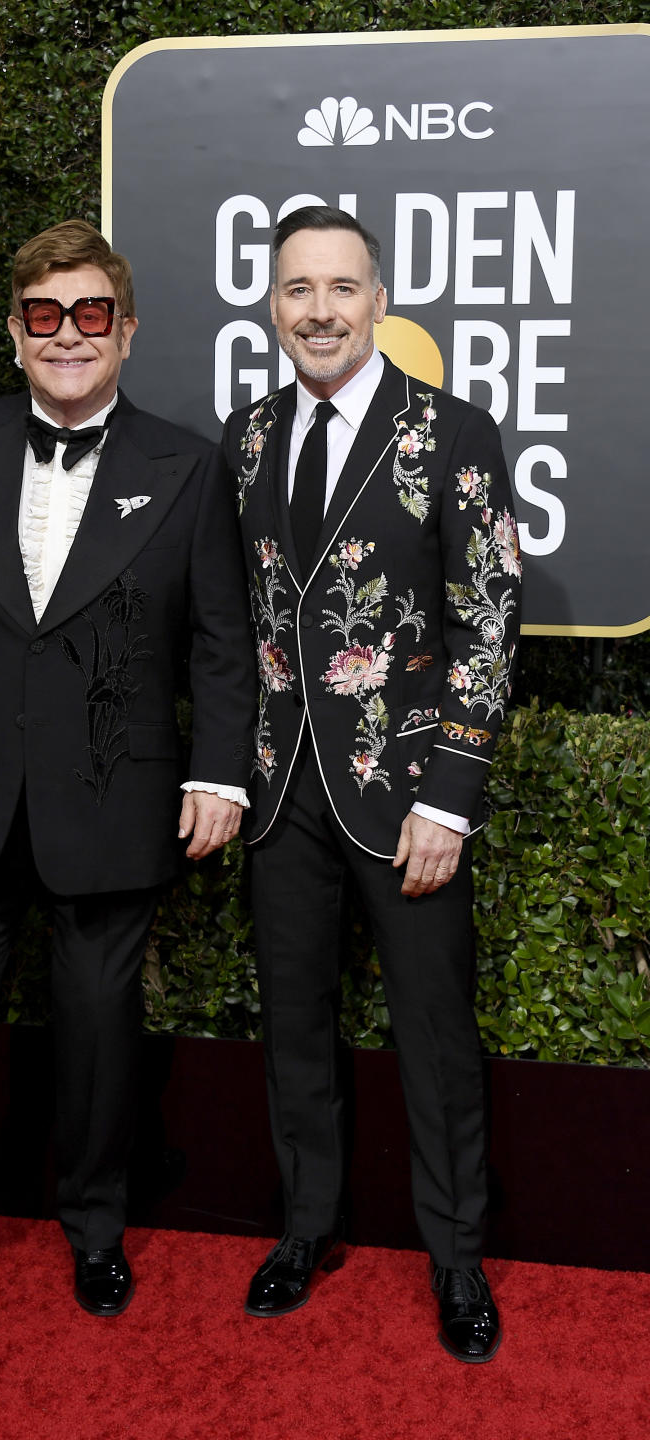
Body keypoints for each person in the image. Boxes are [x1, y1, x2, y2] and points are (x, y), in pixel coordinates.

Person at [0, 220, 255, 1336]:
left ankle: (98, 1233)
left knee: (98, 1026)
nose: (67, 336)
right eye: (42, 316)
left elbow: (221, 641)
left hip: (116, 792)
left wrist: (221, 771)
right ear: (12, 333)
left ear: (126, 332)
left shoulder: (188, 463)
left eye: (90, 316)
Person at [222, 206, 521, 1363]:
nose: (320, 310)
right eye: (298, 289)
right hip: (281, 789)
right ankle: (306, 1229)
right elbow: (241, 621)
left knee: (436, 1035)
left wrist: (451, 795)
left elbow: (489, 618)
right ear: (272, 305)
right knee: (295, 1023)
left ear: (379, 301)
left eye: (342, 288)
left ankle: (457, 1259)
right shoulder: (244, 438)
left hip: (408, 798)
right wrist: (234, 771)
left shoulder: (451, 432)